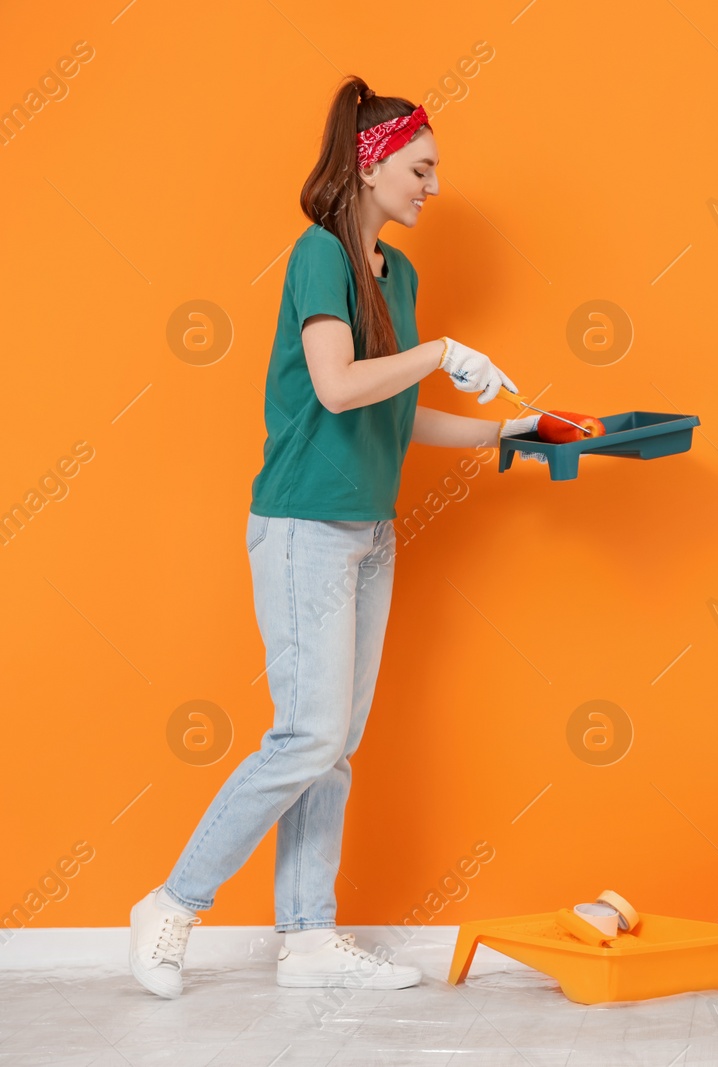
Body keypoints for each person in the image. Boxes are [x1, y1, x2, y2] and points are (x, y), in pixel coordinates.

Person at [128, 75, 590, 998]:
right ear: (373, 164)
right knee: (305, 735)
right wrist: (441, 352)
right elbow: (340, 386)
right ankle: (172, 904)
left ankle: (308, 937)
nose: (433, 187)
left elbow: (397, 414)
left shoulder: (399, 274)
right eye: (422, 169)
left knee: (334, 743)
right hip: (304, 526)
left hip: (368, 529)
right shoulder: (319, 256)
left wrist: (506, 431)